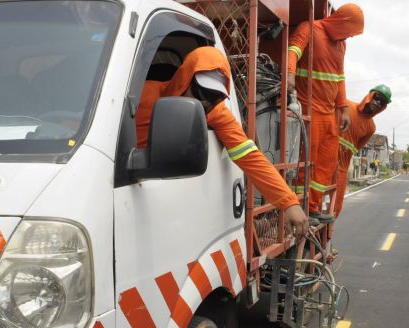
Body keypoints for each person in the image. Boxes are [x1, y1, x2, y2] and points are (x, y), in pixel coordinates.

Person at [136, 46, 309, 239]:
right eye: (201, 92)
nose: (206, 103)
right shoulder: (139, 97)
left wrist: (289, 202)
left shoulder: (216, 114)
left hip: (169, 205)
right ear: (183, 79)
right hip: (132, 188)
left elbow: (250, 156)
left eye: (215, 97)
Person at [286, 3, 364, 224]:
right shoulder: (309, 28)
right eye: (350, 31)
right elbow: (293, 50)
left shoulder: (341, 45)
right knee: (305, 161)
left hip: (330, 114)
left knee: (326, 164)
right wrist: (290, 73)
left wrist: (343, 108)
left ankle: (312, 207)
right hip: (309, 109)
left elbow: (339, 76)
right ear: (342, 22)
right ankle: (300, 208)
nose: (350, 37)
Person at [336, 85, 391, 218]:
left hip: (342, 168)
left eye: (382, 102)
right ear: (370, 95)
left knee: (335, 207)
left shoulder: (371, 127)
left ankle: (326, 235)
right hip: (324, 160)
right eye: (377, 97)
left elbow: (357, 147)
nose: (378, 103)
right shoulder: (345, 106)